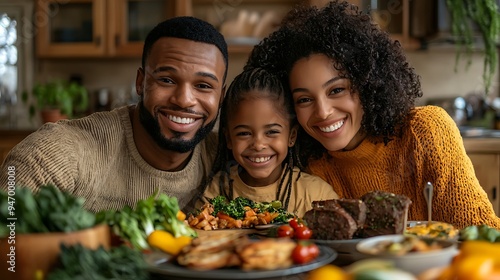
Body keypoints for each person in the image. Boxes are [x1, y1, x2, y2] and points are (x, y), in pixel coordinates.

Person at [244, 1, 500, 229]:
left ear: (367, 82)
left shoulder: (426, 131)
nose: (322, 112)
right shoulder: (309, 163)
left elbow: (484, 235)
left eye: (337, 89)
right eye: (304, 99)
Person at [0, 16, 228, 213]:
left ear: (221, 95)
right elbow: (7, 246)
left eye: (204, 86)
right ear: (141, 83)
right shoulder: (55, 156)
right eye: (166, 80)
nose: (184, 99)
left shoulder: (225, 158)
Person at [198, 68, 339, 217]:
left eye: (271, 132)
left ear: (291, 136)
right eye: (244, 133)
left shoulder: (316, 194)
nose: (258, 145)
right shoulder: (216, 191)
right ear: (229, 139)